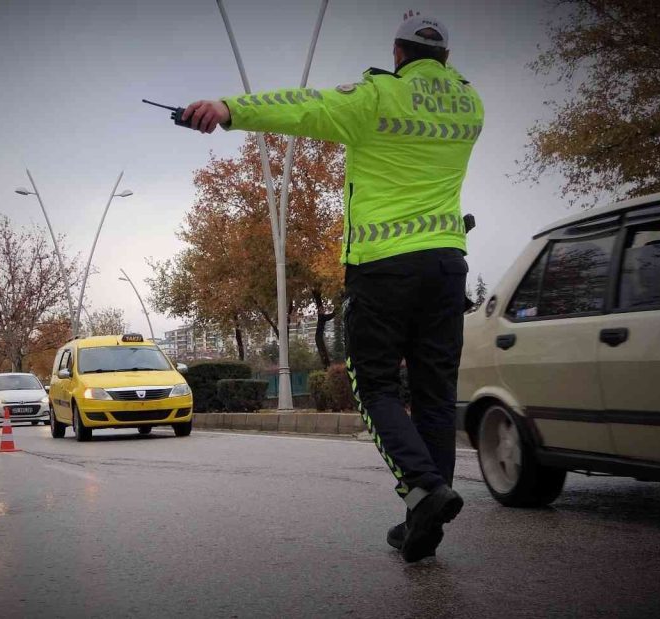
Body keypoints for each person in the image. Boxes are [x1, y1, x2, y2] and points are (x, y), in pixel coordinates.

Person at [182, 12, 484, 562]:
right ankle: (425, 520)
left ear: (397, 53)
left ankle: (423, 487)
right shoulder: (471, 105)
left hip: (384, 267)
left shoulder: (377, 97)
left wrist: (229, 110)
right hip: (447, 266)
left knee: (374, 388)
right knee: (437, 393)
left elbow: (306, 106)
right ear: (444, 58)